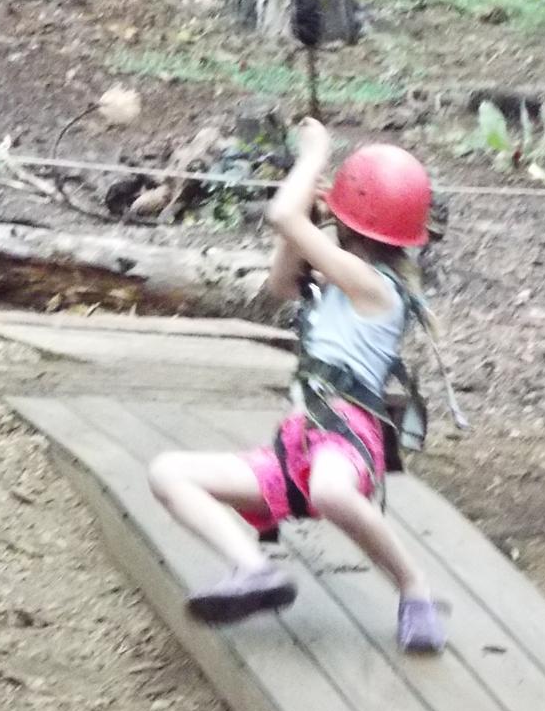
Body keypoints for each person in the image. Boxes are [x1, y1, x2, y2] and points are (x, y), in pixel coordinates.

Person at [147, 119, 448, 654]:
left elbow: (280, 215)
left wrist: (313, 154)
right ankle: (253, 570)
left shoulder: (376, 289)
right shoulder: (339, 283)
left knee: (331, 491)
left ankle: (414, 588)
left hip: (346, 440)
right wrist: (308, 209)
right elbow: (282, 282)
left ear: (349, 222)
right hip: (299, 447)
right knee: (168, 473)